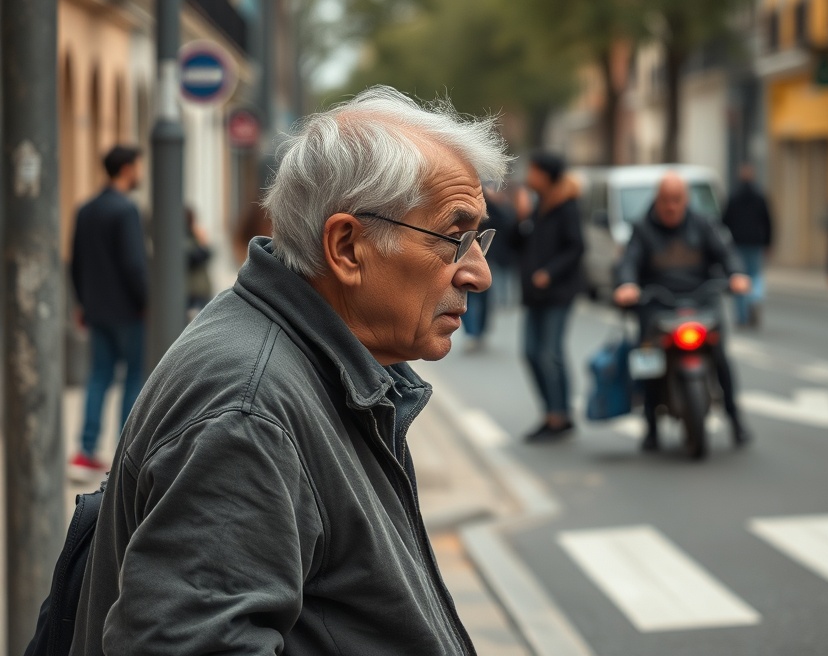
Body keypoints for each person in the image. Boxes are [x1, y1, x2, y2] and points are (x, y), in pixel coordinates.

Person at [72, 87, 509, 655]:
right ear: (347, 247)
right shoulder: (248, 413)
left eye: (479, 240)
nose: (478, 273)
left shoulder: (303, 369)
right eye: (455, 238)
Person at [614, 173, 752, 451]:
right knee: (648, 359)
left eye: (677, 200)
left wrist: (736, 274)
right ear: (657, 199)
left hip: (701, 301)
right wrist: (627, 284)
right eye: (666, 200)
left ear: (685, 200)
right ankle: (651, 425)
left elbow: (726, 252)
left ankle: (735, 420)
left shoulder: (703, 224)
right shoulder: (642, 229)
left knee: (721, 356)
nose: (671, 207)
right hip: (657, 304)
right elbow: (629, 261)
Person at [69, 144, 147, 481]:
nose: (140, 173)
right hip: (128, 311)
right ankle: (123, 452)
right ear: (127, 169)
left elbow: (76, 263)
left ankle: (85, 452)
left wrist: (81, 303)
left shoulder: (85, 210)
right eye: (138, 167)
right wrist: (147, 300)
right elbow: (133, 263)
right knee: (133, 376)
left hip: (96, 310)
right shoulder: (126, 210)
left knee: (99, 376)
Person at [516, 151, 586, 442]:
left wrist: (550, 272)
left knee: (550, 354)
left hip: (557, 293)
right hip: (534, 293)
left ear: (546, 175)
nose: (529, 177)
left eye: (533, 171)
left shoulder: (565, 207)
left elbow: (576, 247)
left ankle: (560, 416)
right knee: (531, 352)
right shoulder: (537, 205)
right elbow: (517, 242)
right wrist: (519, 219)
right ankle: (550, 412)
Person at [463, 185, 516, 351]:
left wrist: (496, 203)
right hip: (464, 255)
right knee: (465, 297)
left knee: (483, 297)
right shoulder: (464, 198)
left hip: (487, 257)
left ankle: (478, 332)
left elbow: (507, 224)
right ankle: (472, 332)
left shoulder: (491, 205)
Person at [722, 162, 772, 328]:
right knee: (755, 275)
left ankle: (742, 316)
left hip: (737, 243)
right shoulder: (760, 196)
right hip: (755, 242)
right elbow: (768, 220)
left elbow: (725, 221)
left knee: (739, 277)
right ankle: (754, 298)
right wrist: (768, 242)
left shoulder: (733, 196)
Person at [185, 206, 214, 318]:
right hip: (192, 292)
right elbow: (195, 257)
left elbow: (209, 254)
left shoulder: (194, 236)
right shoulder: (184, 238)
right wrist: (202, 243)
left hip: (201, 291)